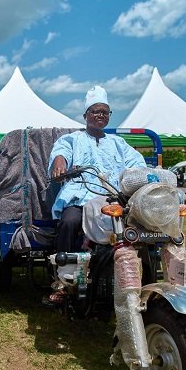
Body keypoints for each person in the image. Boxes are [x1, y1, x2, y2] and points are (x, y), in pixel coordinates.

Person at [47, 85, 146, 302]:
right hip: (80, 195)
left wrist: (147, 174)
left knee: (142, 228)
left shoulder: (119, 143)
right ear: (85, 115)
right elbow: (60, 152)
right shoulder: (72, 139)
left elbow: (136, 164)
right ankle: (62, 281)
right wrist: (60, 162)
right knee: (69, 222)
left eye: (105, 112)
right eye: (95, 111)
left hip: (112, 198)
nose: (100, 115)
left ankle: (138, 277)